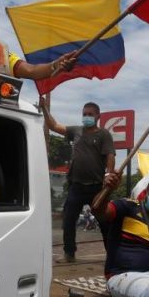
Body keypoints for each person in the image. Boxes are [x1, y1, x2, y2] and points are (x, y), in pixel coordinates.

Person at [41, 98, 116, 262]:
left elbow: (110, 155)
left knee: (104, 222)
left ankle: (113, 255)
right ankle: (69, 254)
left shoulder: (103, 134)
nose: (86, 116)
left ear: (98, 116)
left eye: (90, 114)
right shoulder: (76, 131)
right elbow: (54, 126)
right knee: (68, 221)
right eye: (84, 114)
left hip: (97, 187)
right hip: (76, 186)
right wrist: (45, 109)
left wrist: (108, 176)